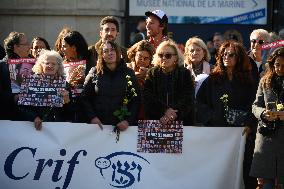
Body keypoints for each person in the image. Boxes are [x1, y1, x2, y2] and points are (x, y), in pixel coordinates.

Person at [196, 41, 258, 189]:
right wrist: (213, 117)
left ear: (239, 58)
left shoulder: (248, 81)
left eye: (231, 55)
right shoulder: (212, 79)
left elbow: (255, 105)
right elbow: (199, 103)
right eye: (224, 54)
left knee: (244, 171)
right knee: (217, 170)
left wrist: (249, 124)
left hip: (241, 135)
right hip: (218, 134)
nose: (226, 57)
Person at [81, 40, 140, 131]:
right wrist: (92, 117)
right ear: (102, 55)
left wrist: (128, 121)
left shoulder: (128, 72)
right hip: (98, 127)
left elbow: (136, 99)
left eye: (112, 50)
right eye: (106, 51)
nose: (110, 53)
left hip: (122, 127)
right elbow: (84, 97)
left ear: (117, 52)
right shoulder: (94, 72)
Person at [250, 47, 284, 189]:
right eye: (277, 65)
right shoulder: (265, 81)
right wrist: (263, 113)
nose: (280, 69)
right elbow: (255, 106)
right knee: (266, 185)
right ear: (272, 64)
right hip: (267, 140)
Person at [143, 40, 195, 125]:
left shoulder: (185, 73)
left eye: (168, 55)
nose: (163, 58)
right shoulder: (152, 73)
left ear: (176, 57)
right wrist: (164, 110)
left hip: (182, 123)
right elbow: (147, 97)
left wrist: (173, 115)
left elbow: (188, 98)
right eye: (160, 55)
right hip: (157, 121)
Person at [18, 50, 70, 130]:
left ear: (58, 67)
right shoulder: (30, 81)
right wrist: (34, 117)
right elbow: (22, 107)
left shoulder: (64, 84)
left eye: (53, 64)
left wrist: (67, 101)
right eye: (47, 63)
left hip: (57, 128)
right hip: (34, 127)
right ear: (41, 65)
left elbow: (71, 110)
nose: (50, 66)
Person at [61, 30, 95, 122]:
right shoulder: (61, 65)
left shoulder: (91, 65)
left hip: (86, 113)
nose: (62, 49)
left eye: (64, 46)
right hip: (67, 111)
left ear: (74, 47)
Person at [0, 31, 31, 120]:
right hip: (8, 119)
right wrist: (13, 97)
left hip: (30, 118)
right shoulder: (2, 66)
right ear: (16, 47)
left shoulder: (33, 65)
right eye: (26, 44)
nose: (29, 47)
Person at [127, 40, 155, 120]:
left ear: (151, 59)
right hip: (128, 116)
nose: (142, 61)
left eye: (146, 58)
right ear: (134, 56)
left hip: (148, 116)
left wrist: (149, 76)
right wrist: (131, 77)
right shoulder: (126, 69)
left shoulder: (155, 72)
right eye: (139, 57)